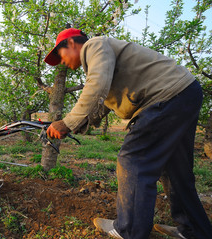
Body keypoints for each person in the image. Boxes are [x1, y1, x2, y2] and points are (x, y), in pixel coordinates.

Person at [44, 28, 212, 239]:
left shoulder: (93, 45)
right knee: (175, 169)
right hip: (184, 93)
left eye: (59, 55)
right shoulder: (105, 59)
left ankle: (129, 230)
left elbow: (96, 86)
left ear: (71, 43)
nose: (61, 62)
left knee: (133, 160)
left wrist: (67, 123)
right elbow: (102, 103)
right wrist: (79, 124)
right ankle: (194, 230)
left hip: (166, 98)